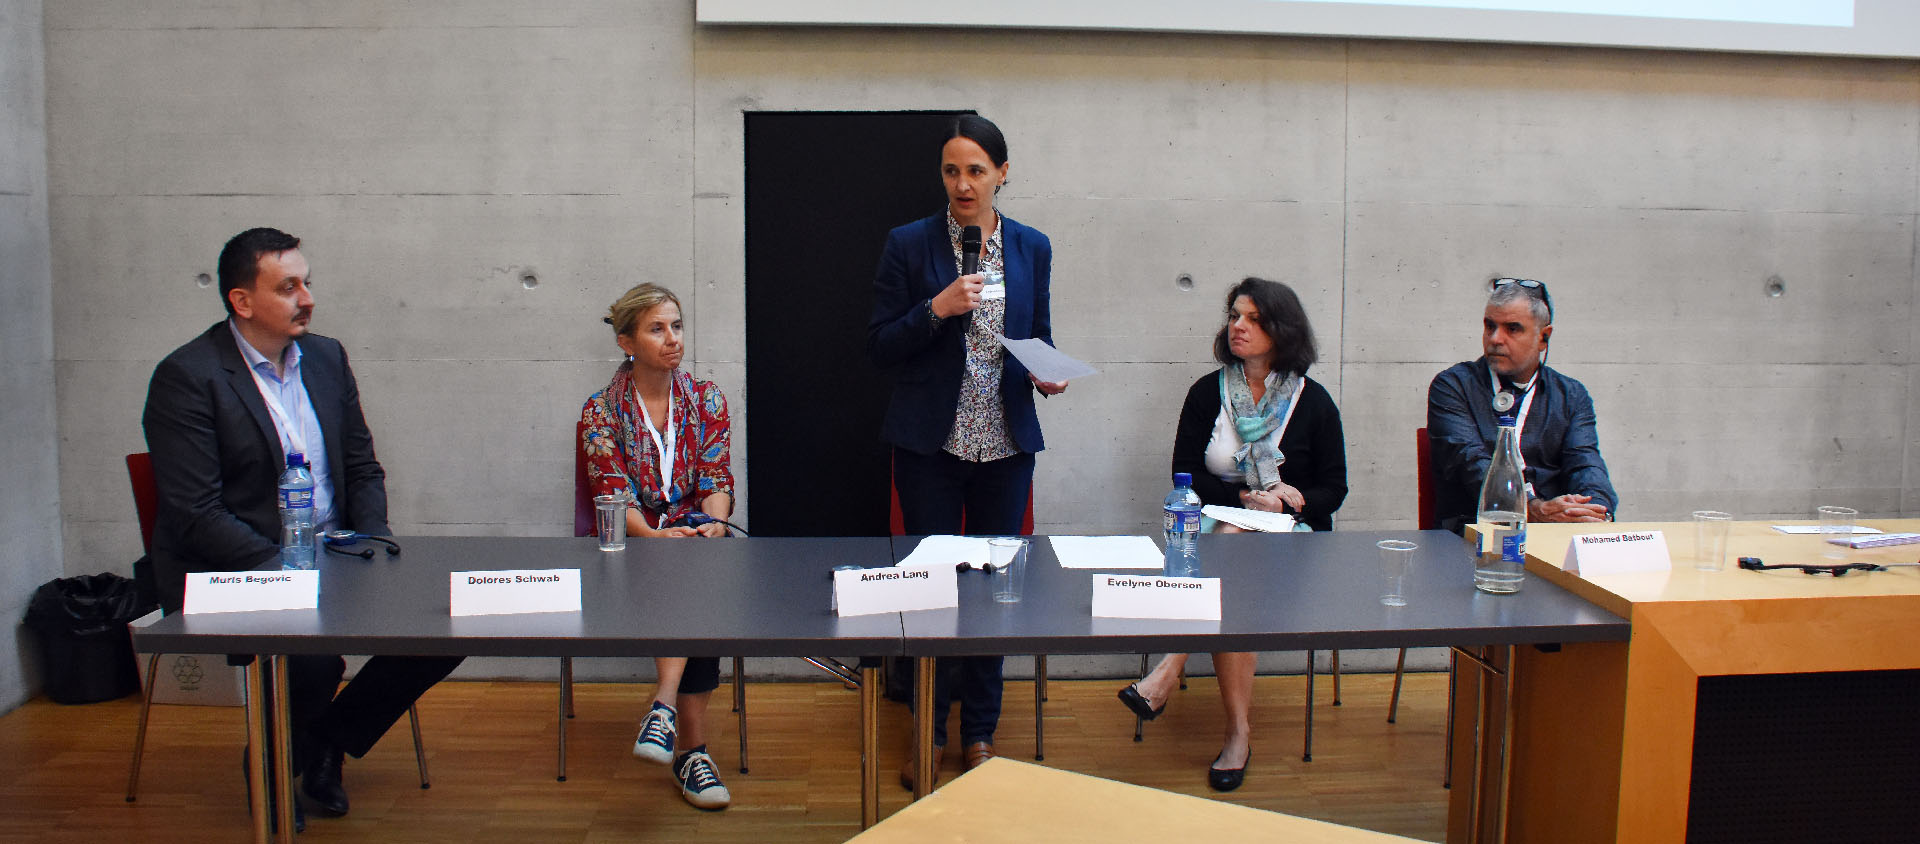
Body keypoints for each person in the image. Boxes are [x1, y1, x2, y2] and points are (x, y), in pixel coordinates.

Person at [142, 227, 462, 828]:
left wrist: (373, 543)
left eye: (307, 282)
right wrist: (292, 576)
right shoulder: (188, 376)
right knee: (313, 659)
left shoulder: (326, 357)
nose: (307, 297)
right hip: (238, 566)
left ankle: (324, 742)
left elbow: (363, 467)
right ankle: (275, 766)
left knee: (446, 625)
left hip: (337, 554)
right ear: (242, 301)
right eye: (288, 287)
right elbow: (196, 515)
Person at [866, 115, 1067, 790]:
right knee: (931, 592)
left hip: (1004, 444)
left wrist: (1046, 370)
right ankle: (928, 730)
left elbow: (1036, 333)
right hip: (932, 443)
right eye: (952, 170)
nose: (962, 183)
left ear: (1002, 174)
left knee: (992, 592)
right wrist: (937, 308)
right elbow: (880, 345)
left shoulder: (1033, 247)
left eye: (976, 170)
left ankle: (980, 732)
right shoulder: (908, 243)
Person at [1115, 277, 1347, 792]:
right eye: (1234, 316)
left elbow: (1335, 486)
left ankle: (1168, 671)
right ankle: (1238, 733)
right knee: (1233, 565)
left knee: (1228, 558)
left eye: (1253, 319)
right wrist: (1242, 502)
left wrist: (1288, 498)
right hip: (1223, 529)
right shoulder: (1207, 393)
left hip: (1295, 536)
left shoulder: (1314, 401)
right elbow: (1184, 472)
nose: (1238, 327)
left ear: (1281, 331)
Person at [579, 282, 735, 810]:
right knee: (684, 572)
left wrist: (714, 523)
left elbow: (716, 478)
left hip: (693, 541)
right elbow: (612, 498)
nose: (672, 339)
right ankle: (692, 753)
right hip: (631, 546)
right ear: (626, 342)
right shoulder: (601, 411)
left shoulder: (706, 397)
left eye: (677, 326)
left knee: (697, 566)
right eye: (656, 328)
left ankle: (664, 711)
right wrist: (658, 535)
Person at [1427, 278, 1618, 534]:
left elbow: (1586, 464)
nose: (1495, 339)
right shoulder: (1453, 386)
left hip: (1551, 537)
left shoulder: (1571, 395)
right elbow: (1471, 464)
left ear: (1543, 338)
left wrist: (1594, 510)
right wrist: (1533, 510)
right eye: (1490, 326)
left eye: (1512, 329)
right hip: (1473, 536)